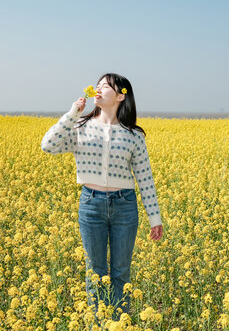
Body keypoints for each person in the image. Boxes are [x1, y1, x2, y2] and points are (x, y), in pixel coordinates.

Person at [40, 73, 164, 322]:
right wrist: (73, 113)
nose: (98, 89)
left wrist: (155, 218)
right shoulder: (80, 128)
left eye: (105, 86)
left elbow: (145, 178)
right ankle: (98, 324)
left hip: (125, 206)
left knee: (121, 272)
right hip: (91, 204)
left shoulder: (134, 135)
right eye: (97, 86)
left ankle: (120, 324)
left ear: (120, 96)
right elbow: (48, 145)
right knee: (95, 271)